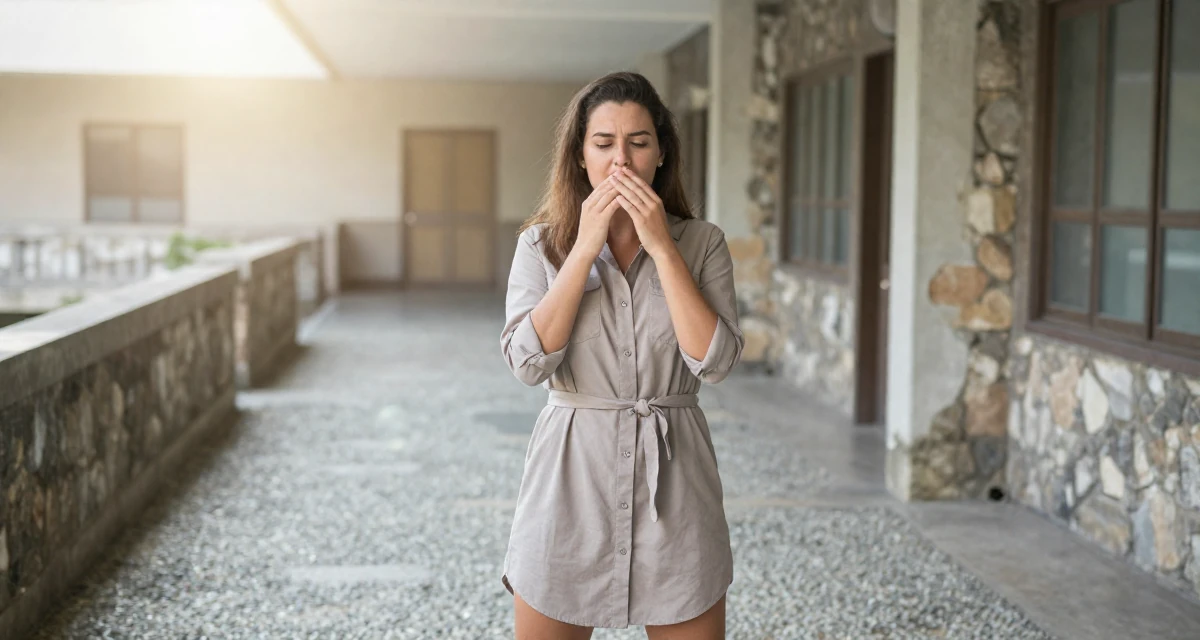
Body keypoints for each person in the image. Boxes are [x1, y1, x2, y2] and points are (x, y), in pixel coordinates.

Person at [499, 71, 744, 640]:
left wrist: (661, 245)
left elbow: (717, 361)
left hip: (677, 483)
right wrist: (584, 247)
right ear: (580, 155)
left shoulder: (702, 243)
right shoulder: (540, 245)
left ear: (661, 152)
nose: (621, 162)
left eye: (638, 142)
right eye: (603, 143)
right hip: (570, 480)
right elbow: (527, 363)